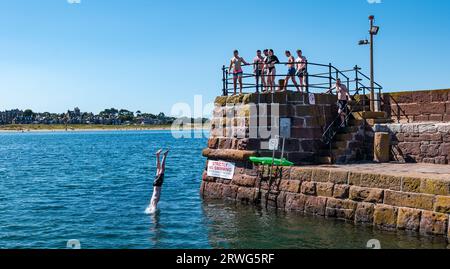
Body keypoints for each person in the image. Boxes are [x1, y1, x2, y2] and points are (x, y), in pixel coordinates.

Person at [146, 149, 169, 214]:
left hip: (158, 184)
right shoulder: (151, 203)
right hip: (155, 184)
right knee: (158, 169)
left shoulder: (153, 203)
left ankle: (164, 156)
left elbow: (153, 207)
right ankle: (157, 155)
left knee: (162, 169)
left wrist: (153, 211)